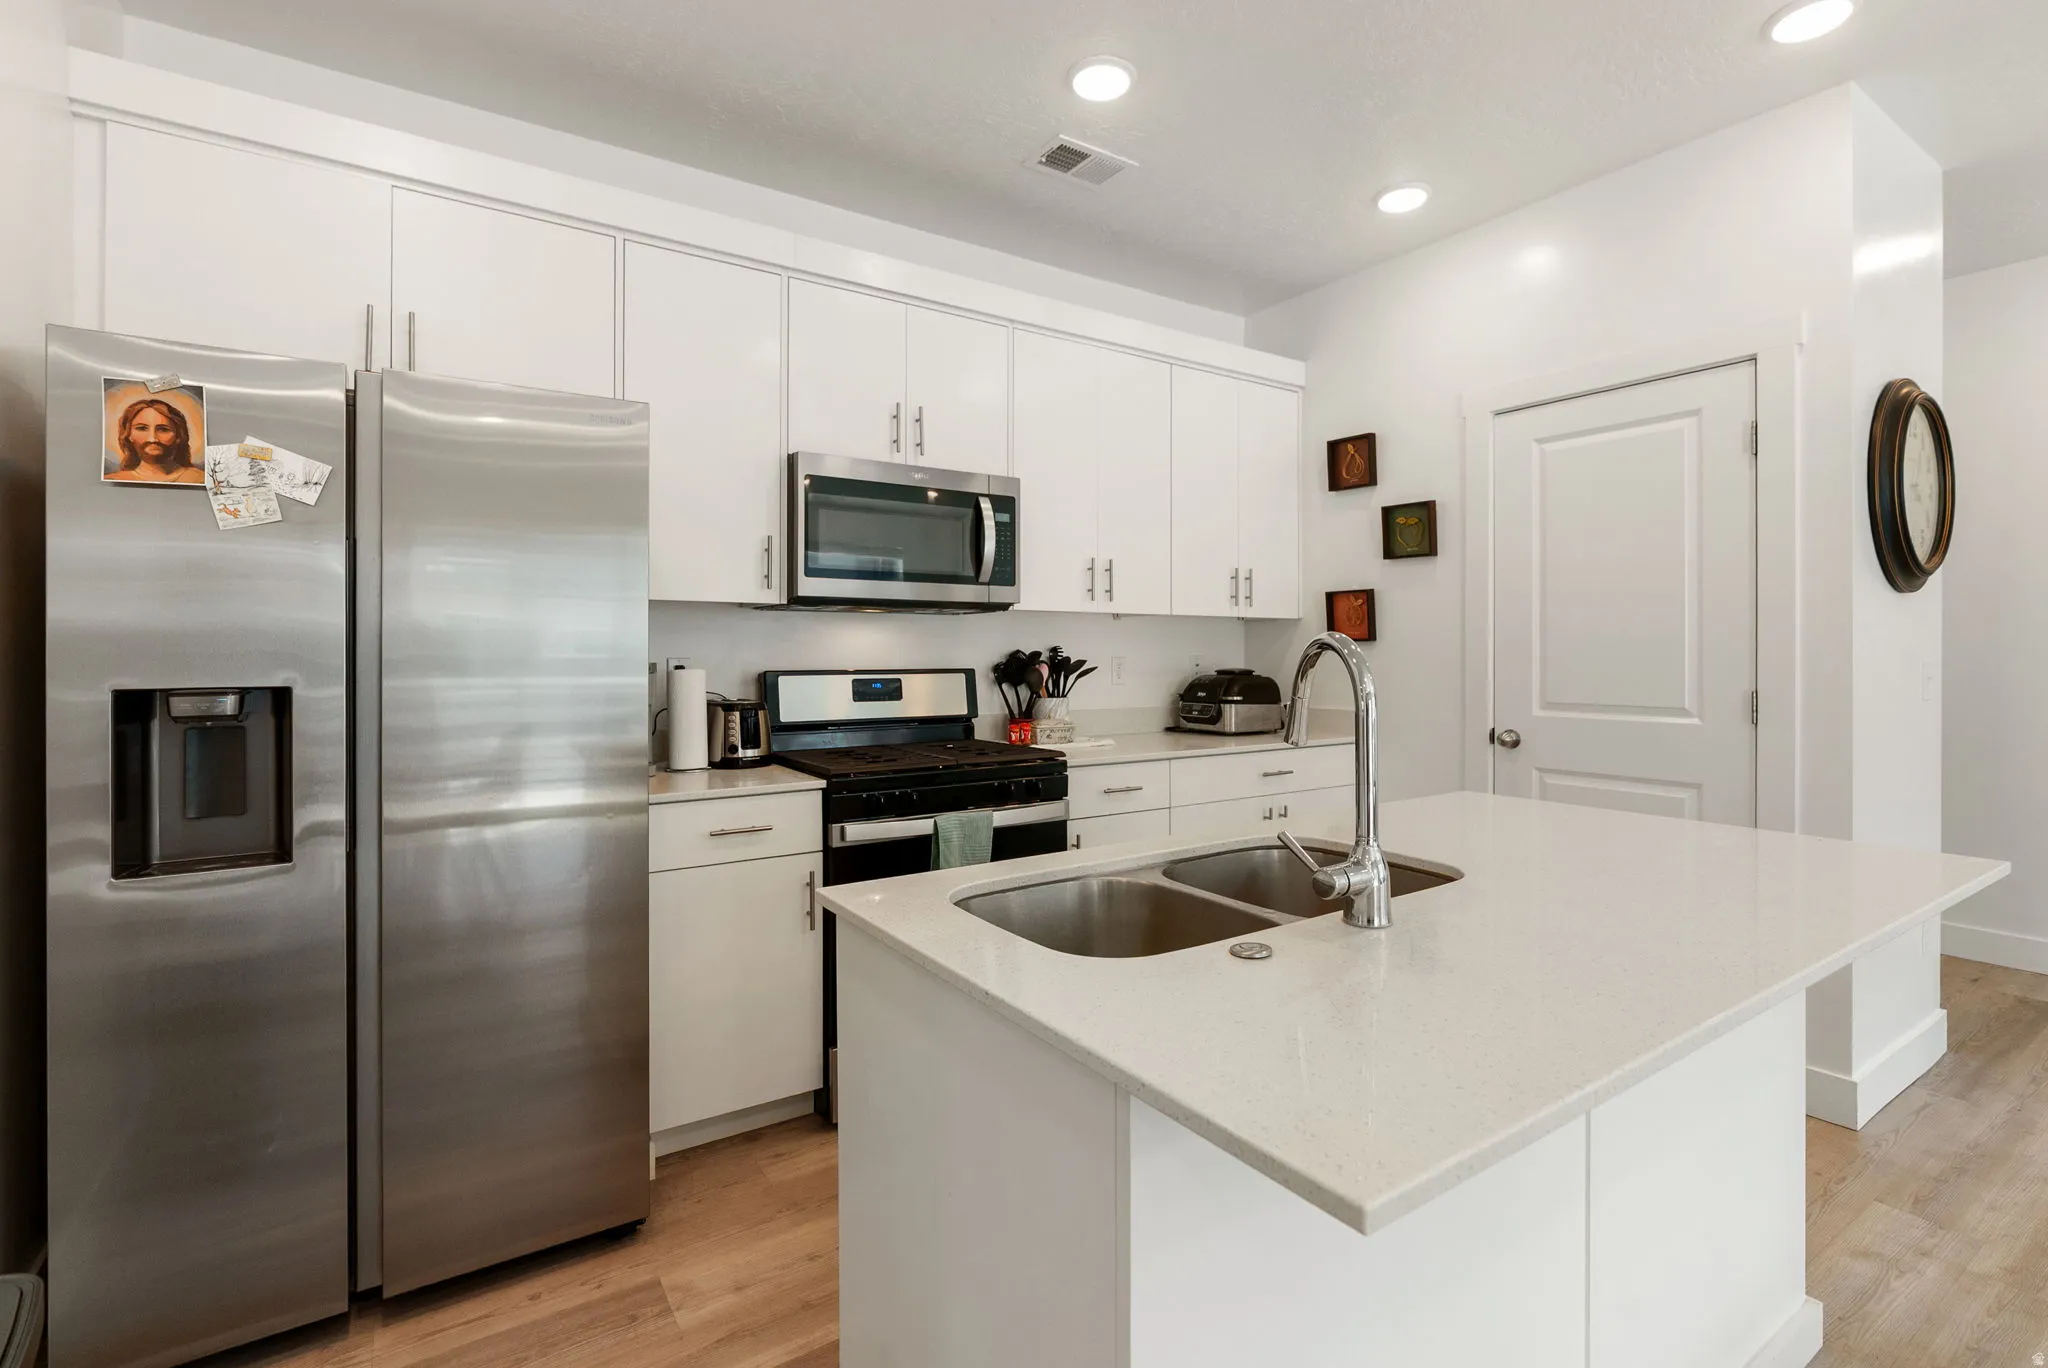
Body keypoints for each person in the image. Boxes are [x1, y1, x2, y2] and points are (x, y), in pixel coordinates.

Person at [106, 396, 202, 484]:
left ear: (178, 436)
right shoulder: (113, 480)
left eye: (163, 429)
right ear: (128, 435)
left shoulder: (200, 479)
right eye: (142, 428)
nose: (152, 439)